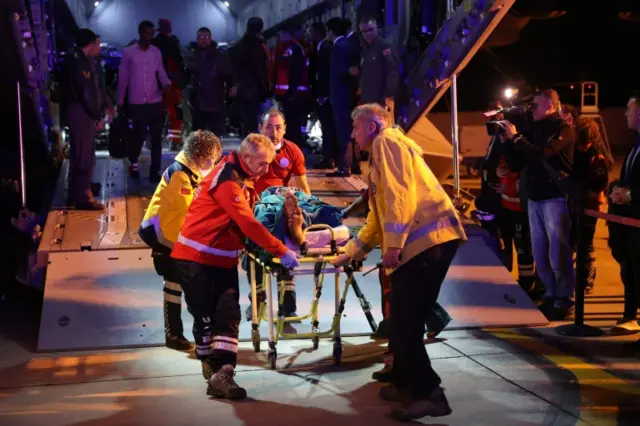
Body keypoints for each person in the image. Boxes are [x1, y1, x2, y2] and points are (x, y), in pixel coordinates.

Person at [333, 104, 466, 420]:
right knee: (404, 321)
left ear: (374, 125)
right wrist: (351, 252)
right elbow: (377, 218)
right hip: (425, 244)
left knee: (405, 322)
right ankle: (406, 383)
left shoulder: (387, 143)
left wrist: (392, 247)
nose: (352, 134)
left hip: (425, 245)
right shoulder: (384, 150)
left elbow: (399, 198)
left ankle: (430, 394)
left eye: (356, 127)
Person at [170, 134, 299, 399]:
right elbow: (247, 222)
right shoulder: (227, 179)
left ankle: (223, 374)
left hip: (221, 259)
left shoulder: (243, 177)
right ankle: (210, 362)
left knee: (229, 316)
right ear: (246, 157)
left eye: (269, 164)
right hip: (197, 260)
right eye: (262, 164)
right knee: (205, 320)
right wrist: (281, 250)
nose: (266, 170)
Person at [138, 131, 222, 351]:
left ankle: (177, 334)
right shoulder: (179, 175)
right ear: (199, 156)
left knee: (177, 282)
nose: (213, 163)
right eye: (211, 158)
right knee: (177, 283)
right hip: (163, 236)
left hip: (176, 236)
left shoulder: (192, 171)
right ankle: (175, 335)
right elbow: (192, 208)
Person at [501, 89, 576, 320]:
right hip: (534, 198)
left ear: (551, 106)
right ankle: (551, 294)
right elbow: (516, 163)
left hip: (554, 197)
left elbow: (540, 154)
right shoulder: (531, 128)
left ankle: (564, 298)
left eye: (536, 105)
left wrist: (517, 139)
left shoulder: (562, 129)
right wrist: (506, 142)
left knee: (558, 251)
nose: (531, 109)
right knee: (540, 252)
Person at [243, 109, 310, 319]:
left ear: (285, 129)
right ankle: (258, 298)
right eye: (269, 127)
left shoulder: (293, 152)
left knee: (286, 243)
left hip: (281, 205)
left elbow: (304, 189)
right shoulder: (250, 150)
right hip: (256, 207)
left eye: (278, 127)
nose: (274, 132)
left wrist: (306, 211)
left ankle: (287, 303)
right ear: (260, 129)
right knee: (254, 254)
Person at [62, 29, 113, 210]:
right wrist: (96, 114)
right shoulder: (81, 63)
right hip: (81, 112)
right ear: (90, 44)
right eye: (97, 44)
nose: (98, 48)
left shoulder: (74, 59)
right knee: (84, 156)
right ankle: (83, 196)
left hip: (77, 110)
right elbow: (86, 92)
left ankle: (75, 194)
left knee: (79, 154)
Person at [117, 20, 171, 182]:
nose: (150, 36)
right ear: (140, 33)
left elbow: (160, 71)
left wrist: (167, 84)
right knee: (138, 137)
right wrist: (120, 101)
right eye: (147, 33)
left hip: (155, 101)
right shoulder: (128, 53)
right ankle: (133, 163)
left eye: (152, 33)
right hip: (137, 102)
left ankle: (155, 171)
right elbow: (123, 78)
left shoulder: (156, 52)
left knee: (156, 139)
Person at [608, 93, 640, 342]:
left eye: (630, 109)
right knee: (631, 273)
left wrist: (630, 195)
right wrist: (616, 190)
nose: (626, 114)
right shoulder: (635, 144)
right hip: (630, 225)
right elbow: (627, 178)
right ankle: (630, 317)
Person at [571, 116, 609, 294]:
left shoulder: (596, 156)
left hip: (588, 207)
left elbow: (600, 183)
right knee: (572, 242)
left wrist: (583, 192)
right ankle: (574, 277)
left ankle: (587, 278)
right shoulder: (572, 151)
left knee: (586, 244)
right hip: (573, 204)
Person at [189, 27, 235, 136]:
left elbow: (229, 73)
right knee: (198, 135)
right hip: (196, 100)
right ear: (197, 39)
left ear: (211, 38)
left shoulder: (219, 55)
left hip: (215, 99)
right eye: (201, 37)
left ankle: (216, 153)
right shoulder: (191, 55)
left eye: (206, 37)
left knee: (215, 133)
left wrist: (232, 86)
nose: (203, 40)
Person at [229, 17, 271, 135]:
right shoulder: (259, 46)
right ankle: (251, 146)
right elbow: (261, 69)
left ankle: (247, 144)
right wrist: (265, 90)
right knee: (253, 120)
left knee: (246, 120)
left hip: (241, 88)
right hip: (254, 89)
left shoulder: (238, 46)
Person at [272, 23, 310, 150]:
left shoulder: (294, 49)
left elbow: (296, 72)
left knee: (293, 126)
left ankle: (293, 152)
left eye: (281, 34)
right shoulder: (283, 49)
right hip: (287, 94)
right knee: (289, 125)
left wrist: (290, 93)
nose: (280, 37)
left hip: (294, 94)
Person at [152, 19, 185, 149]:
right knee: (175, 113)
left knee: (156, 113)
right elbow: (179, 64)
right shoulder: (173, 43)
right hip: (172, 84)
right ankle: (175, 141)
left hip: (156, 85)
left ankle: (154, 138)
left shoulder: (154, 44)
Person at [327, 17, 353, 177]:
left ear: (331, 31)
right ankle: (346, 165)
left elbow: (341, 72)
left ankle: (346, 166)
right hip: (342, 94)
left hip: (341, 94)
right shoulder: (344, 45)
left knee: (343, 130)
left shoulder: (340, 47)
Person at [309, 22, 337, 169]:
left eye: (312, 32)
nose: (310, 35)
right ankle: (329, 156)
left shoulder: (325, 48)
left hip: (324, 94)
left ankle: (329, 157)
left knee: (327, 126)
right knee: (326, 126)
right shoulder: (320, 47)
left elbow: (324, 73)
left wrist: (322, 93)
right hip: (322, 93)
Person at [358, 15, 399, 113]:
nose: (368, 34)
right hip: (368, 99)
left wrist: (387, 96)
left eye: (371, 29)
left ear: (377, 28)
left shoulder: (384, 46)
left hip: (381, 100)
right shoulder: (365, 49)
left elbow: (392, 72)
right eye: (364, 31)